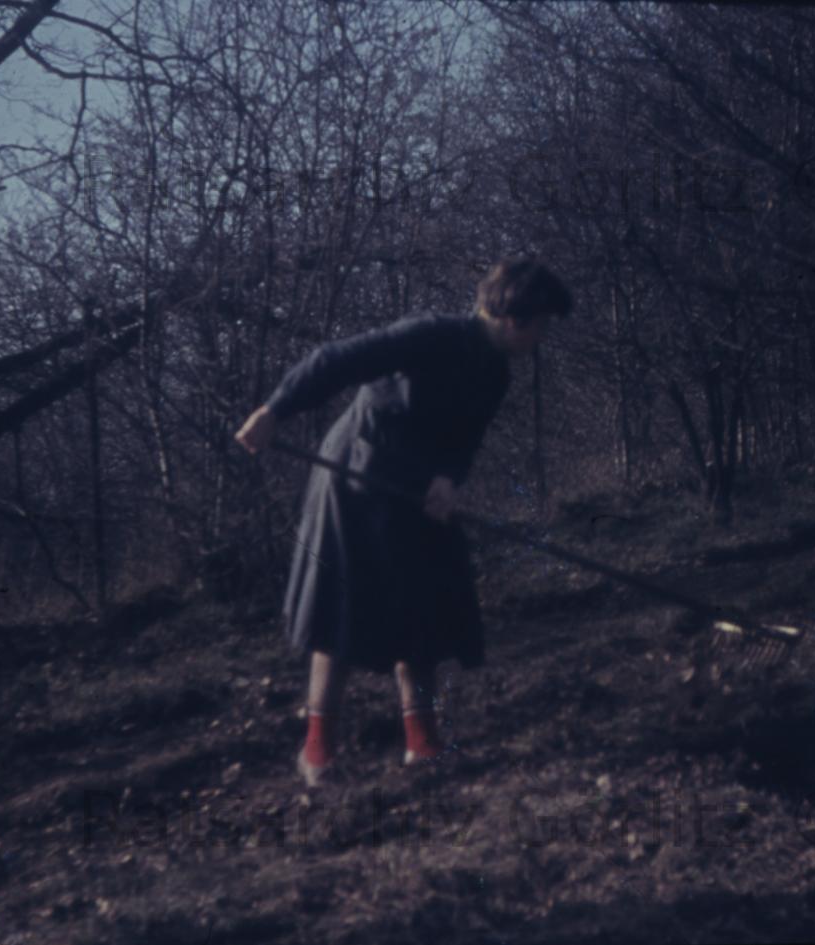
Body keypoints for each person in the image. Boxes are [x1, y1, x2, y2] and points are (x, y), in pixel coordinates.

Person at [234, 256, 573, 787]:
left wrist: (449, 479)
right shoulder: (429, 335)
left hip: (416, 493)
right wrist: (275, 410)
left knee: (425, 611)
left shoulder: (495, 373)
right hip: (353, 479)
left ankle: (423, 743)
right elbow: (335, 360)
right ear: (516, 320)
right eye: (543, 325)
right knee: (341, 614)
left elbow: (464, 440)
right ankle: (317, 753)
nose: (542, 338)